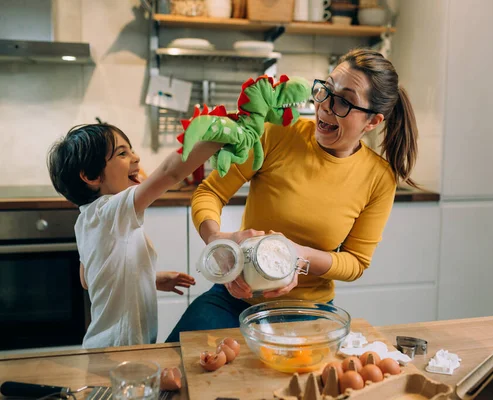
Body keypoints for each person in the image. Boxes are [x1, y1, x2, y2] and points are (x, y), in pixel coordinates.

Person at [166, 48, 418, 342]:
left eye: (345, 101)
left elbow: (355, 263)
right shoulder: (277, 133)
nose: (325, 105)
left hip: (308, 313)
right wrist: (219, 245)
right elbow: (210, 192)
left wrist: (300, 256)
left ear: (372, 121)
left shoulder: (378, 178)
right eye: (326, 89)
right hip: (234, 299)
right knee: (173, 369)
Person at [47, 123, 221, 348]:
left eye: (131, 150)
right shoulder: (108, 212)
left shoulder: (88, 220)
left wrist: (150, 279)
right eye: (122, 153)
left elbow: (87, 278)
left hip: (107, 347)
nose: (136, 158)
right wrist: (220, 135)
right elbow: (170, 172)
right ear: (90, 176)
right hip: (119, 350)